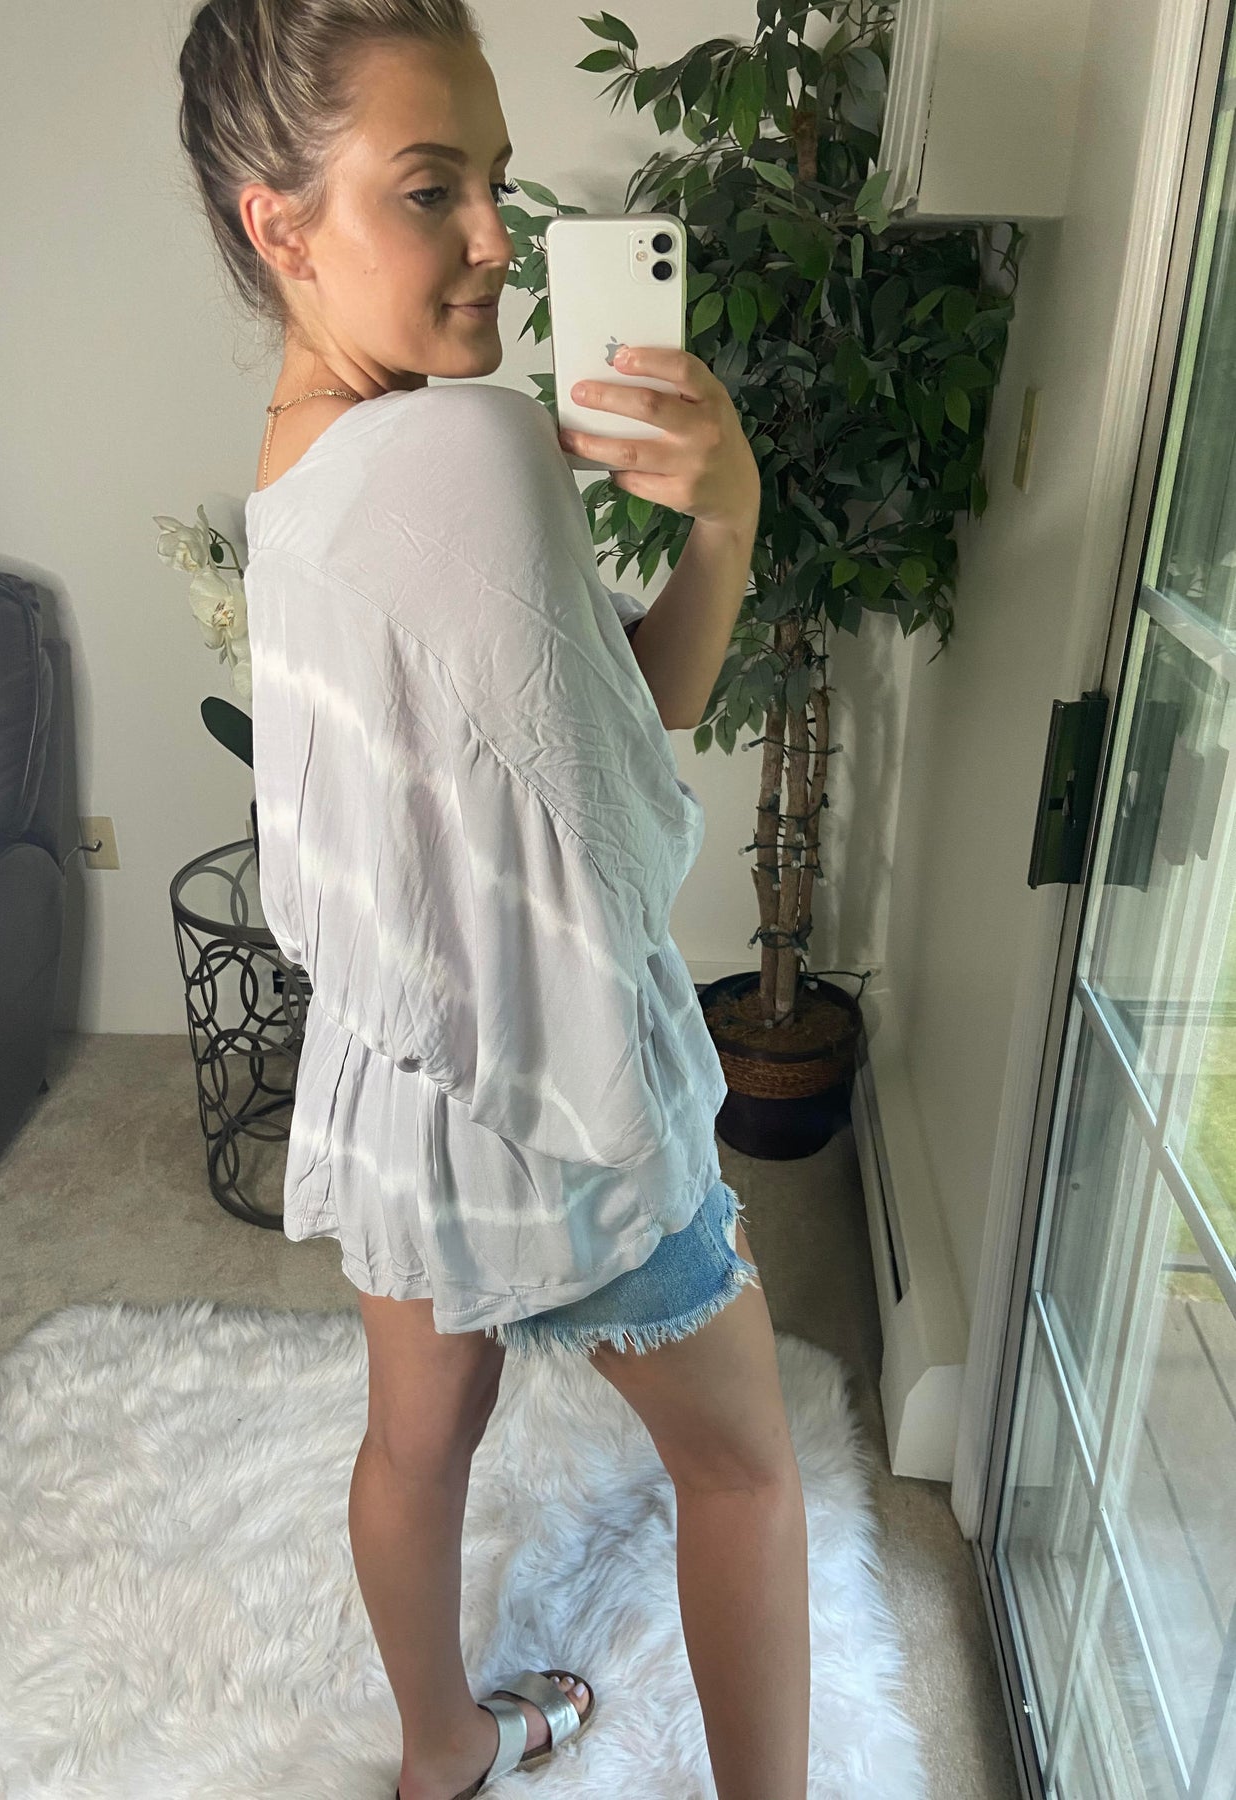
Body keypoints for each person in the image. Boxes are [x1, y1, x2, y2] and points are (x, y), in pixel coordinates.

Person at [176, 4, 809, 1796]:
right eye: (426, 188)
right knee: (747, 1474)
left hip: (399, 1078)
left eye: (498, 185)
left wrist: (711, 523)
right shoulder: (469, 445)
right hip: (554, 1087)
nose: (492, 243)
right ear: (280, 225)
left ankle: (440, 1748)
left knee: (416, 1444)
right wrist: (731, 517)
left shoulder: (293, 472)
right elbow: (627, 808)